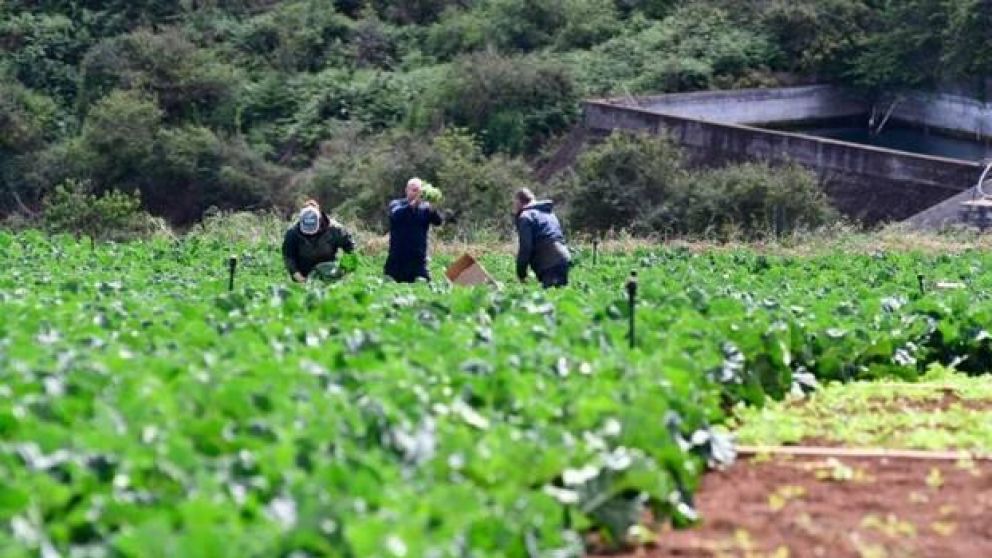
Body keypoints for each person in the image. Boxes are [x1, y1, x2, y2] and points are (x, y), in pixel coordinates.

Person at [384, 177, 446, 283]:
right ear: (406, 190)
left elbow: (438, 222)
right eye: (413, 190)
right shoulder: (396, 204)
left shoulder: (425, 209)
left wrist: (433, 209)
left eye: (418, 191)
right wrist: (413, 204)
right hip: (398, 260)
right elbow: (396, 215)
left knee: (424, 289)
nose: (416, 194)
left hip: (418, 260)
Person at [282, 200, 355, 283]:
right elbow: (289, 256)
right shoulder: (292, 233)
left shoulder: (335, 230)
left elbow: (350, 248)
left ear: (320, 220)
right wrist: (299, 277)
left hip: (329, 273)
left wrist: (345, 269)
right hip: (303, 275)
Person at [514, 188, 571, 288]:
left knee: (552, 298)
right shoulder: (549, 213)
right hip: (563, 258)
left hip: (549, 263)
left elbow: (525, 248)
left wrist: (521, 273)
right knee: (560, 297)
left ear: (519, 201)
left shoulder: (526, 216)